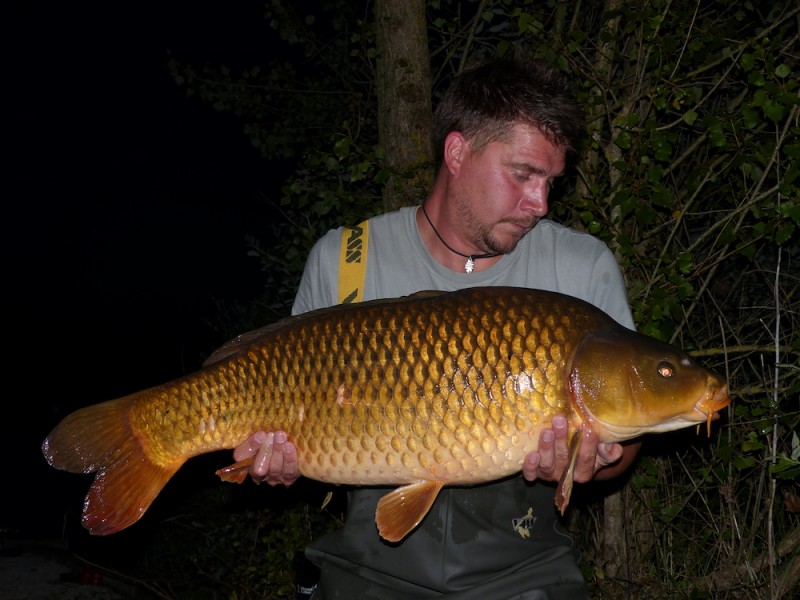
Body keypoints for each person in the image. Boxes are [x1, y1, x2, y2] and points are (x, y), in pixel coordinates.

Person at [234, 53, 641, 599]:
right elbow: (290, 428)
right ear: (456, 152)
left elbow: (627, 437)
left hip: (524, 574)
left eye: (550, 181)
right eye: (523, 175)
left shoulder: (581, 268)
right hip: (367, 570)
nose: (539, 203)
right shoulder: (346, 261)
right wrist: (276, 464)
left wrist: (601, 459)